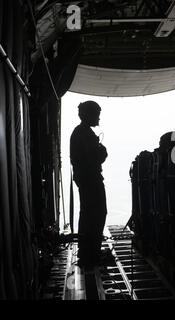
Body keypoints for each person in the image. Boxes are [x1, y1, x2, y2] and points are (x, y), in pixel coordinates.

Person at [70, 101, 108, 268]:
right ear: (88, 114)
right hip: (90, 180)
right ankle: (91, 253)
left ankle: (88, 252)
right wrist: (103, 152)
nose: (98, 117)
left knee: (89, 215)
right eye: (96, 114)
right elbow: (94, 158)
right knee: (96, 214)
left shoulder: (81, 132)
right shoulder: (83, 134)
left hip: (87, 180)